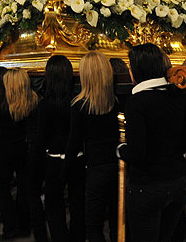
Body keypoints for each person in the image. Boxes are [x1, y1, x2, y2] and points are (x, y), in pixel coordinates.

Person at [117, 43, 186, 242]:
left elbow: (137, 152)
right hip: (177, 183)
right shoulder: (177, 95)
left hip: (148, 186)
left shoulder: (137, 102)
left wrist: (121, 149)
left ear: (137, 70)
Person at [65, 51, 120, 242]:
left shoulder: (79, 105)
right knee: (117, 219)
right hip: (117, 165)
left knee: (93, 223)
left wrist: (69, 169)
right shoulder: (116, 101)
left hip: (95, 168)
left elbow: (74, 142)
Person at [36, 55, 85, 242]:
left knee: (54, 205)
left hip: (54, 158)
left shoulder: (44, 103)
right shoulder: (77, 101)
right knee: (77, 204)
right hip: (77, 158)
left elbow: (41, 136)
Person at [0, 68, 38, 240]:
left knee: (0, 185)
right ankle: (24, 224)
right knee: (24, 187)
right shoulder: (33, 100)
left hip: (4, 150)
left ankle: (11, 224)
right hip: (25, 150)